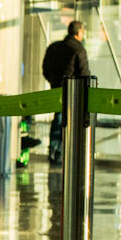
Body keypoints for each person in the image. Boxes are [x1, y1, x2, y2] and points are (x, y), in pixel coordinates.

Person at [42, 19, 90, 162]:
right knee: (66, 120)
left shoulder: (54, 47)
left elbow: (45, 69)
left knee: (58, 117)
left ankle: (53, 149)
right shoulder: (78, 50)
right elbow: (84, 73)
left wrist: (53, 81)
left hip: (56, 88)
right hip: (72, 91)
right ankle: (60, 152)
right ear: (78, 33)